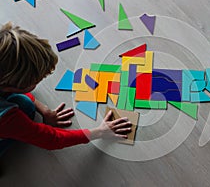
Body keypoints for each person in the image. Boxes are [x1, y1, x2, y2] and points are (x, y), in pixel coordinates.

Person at [0, 22, 132, 156]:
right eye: (36, 80)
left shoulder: (4, 81)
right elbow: (51, 140)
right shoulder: (5, 118)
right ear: (8, 86)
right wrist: (99, 132)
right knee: (25, 108)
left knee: (25, 103)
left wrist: (44, 110)